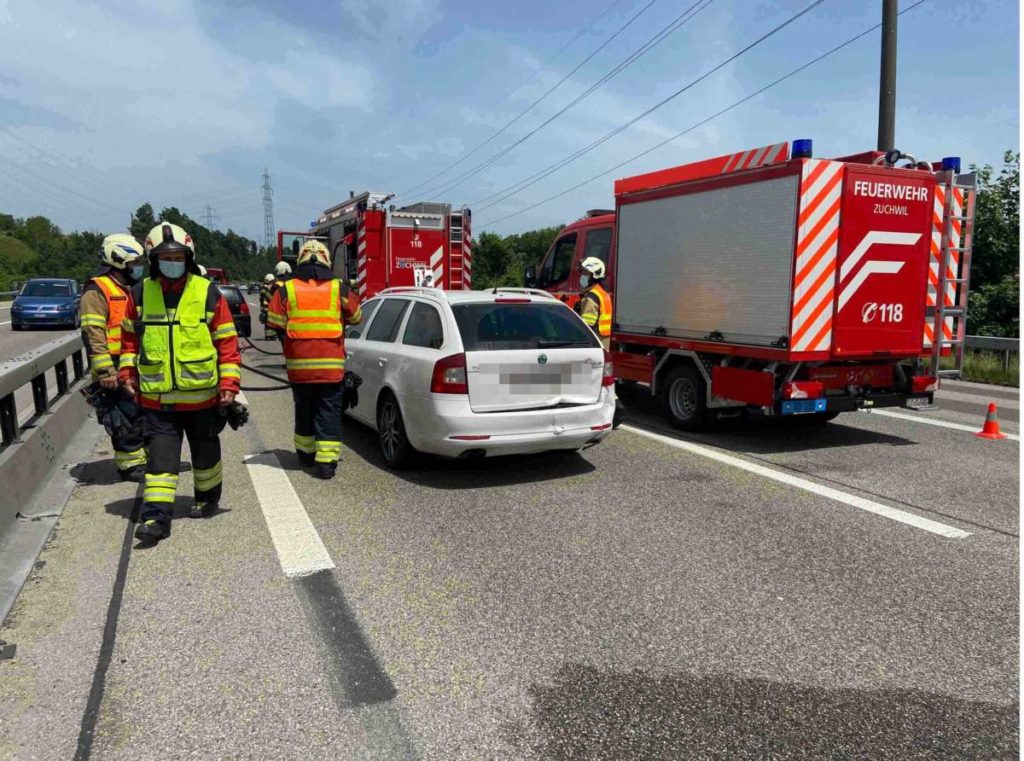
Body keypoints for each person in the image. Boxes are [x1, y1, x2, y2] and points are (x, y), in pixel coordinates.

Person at [118, 222, 242, 544]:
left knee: (205, 457)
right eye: (164, 256)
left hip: (203, 399)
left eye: (177, 256)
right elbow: (129, 341)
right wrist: (127, 373)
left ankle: (207, 498)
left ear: (188, 258)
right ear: (153, 259)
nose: (171, 262)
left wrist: (229, 383)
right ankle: (156, 519)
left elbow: (226, 342)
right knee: (160, 462)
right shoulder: (140, 293)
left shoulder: (207, 292)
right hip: (158, 402)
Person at [266, 241, 361, 479]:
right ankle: (326, 465)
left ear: (300, 260)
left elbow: (275, 321)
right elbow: (357, 316)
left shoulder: (287, 289)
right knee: (328, 414)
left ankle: (306, 456)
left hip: (300, 370)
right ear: (327, 260)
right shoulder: (338, 289)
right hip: (331, 371)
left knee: (304, 411)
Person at [79, 233, 148, 481]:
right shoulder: (97, 290)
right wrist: (105, 370)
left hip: (134, 360)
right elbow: (93, 333)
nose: (138, 268)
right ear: (118, 262)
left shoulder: (131, 288)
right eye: (134, 263)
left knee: (142, 411)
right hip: (114, 363)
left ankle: (147, 458)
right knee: (123, 417)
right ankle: (130, 465)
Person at [577, 256, 612, 350]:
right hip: (603, 340)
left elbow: (587, 327)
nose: (582, 276)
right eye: (582, 272)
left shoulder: (591, 297)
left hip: (595, 343)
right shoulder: (602, 292)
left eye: (585, 272)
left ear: (594, 275)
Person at [259, 273, 276, 339]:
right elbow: (269, 297)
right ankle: (269, 335)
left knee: (270, 321)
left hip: (269, 306)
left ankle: (271, 335)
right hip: (266, 307)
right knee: (268, 321)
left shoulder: (270, 287)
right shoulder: (264, 288)